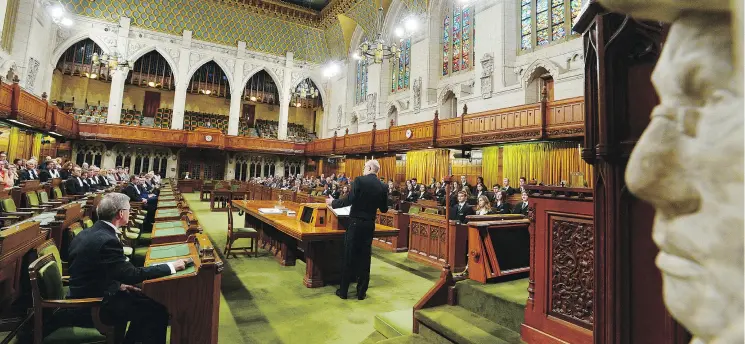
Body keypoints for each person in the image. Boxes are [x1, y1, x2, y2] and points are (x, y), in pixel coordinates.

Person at [67, 193, 189, 343]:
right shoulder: (107, 240)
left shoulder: (88, 232)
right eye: (129, 210)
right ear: (120, 213)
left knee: (149, 303)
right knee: (156, 311)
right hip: (92, 306)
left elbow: (95, 272)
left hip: (95, 292)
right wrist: (171, 266)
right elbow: (131, 274)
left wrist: (118, 285)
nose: (130, 212)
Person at [326, 160, 388, 300]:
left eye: (365, 167)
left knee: (349, 256)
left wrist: (333, 202)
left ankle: (343, 291)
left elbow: (349, 200)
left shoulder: (359, 180)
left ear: (370, 168)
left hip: (355, 223)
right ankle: (361, 293)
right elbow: (384, 209)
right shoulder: (383, 186)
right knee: (365, 258)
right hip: (369, 224)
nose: (363, 169)